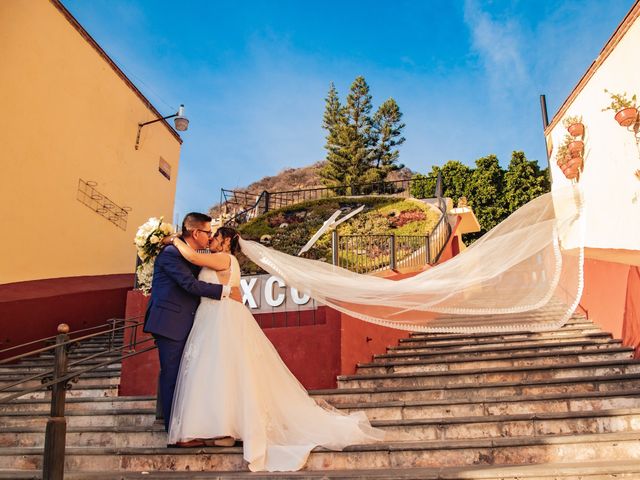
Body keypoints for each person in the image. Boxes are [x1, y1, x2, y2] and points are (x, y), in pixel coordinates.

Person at [166, 227, 387, 472]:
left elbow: (193, 257)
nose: (212, 241)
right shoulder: (221, 259)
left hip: (221, 318)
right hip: (215, 317)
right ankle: (225, 429)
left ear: (226, 241)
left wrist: (172, 239)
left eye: (216, 237)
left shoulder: (223, 258)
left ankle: (227, 427)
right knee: (222, 372)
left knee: (222, 370)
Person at [143, 213, 241, 438]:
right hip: (170, 322)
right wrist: (224, 291)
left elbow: (203, 267)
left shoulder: (193, 254)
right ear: (196, 233)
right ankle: (173, 433)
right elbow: (189, 284)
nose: (210, 237)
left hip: (191, 322)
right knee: (173, 375)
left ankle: (191, 427)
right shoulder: (170, 254)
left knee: (186, 376)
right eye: (208, 232)